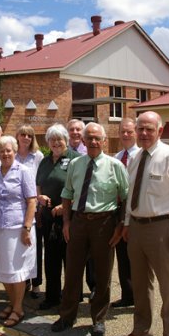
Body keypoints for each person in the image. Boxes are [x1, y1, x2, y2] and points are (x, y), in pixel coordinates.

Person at [122, 111, 169, 336]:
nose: (144, 133)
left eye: (149, 129)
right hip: (136, 229)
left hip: (162, 229)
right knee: (141, 285)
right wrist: (127, 223)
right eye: (140, 128)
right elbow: (130, 195)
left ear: (160, 131)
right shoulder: (135, 158)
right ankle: (142, 331)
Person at [51, 122, 129, 336]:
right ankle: (67, 316)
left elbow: (126, 197)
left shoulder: (115, 166)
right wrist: (67, 223)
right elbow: (67, 194)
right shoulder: (75, 164)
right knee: (73, 272)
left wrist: (121, 225)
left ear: (104, 141)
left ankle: (99, 320)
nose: (93, 141)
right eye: (90, 138)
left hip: (104, 224)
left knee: (103, 274)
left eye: (97, 138)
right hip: (78, 222)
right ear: (83, 141)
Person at [0, 136, 37, 327]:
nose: (6, 153)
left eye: (9, 150)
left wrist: (27, 228)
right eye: (2, 151)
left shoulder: (23, 171)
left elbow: (32, 200)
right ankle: (13, 303)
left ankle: (18, 309)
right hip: (0, 227)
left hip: (18, 228)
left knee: (17, 270)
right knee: (4, 269)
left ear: (15, 151)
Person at [36, 123, 79, 310]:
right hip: (48, 218)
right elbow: (38, 184)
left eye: (59, 139)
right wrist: (40, 197)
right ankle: (52, 296)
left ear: (66, 141)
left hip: (69, 218)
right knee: (51, 259)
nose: (55, 143)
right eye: (52, 140)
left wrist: (65, 205)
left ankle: (72, 297)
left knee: (70, 259)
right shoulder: (45, 161)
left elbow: (81, 188)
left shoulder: (76, 160)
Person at [67, 118, 95, 301]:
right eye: (72, 129)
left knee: (92, 256)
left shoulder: (91, 151)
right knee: (74, 257)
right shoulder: (64, 153)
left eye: (79, 130)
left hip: (91, 212)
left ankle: (93, 287)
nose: (75, 132)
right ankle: (74, 292)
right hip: (72, 211)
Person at [112, 118, 138, 308]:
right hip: (119, 212)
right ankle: (127, 295)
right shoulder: (117, 157)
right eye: (123, 132)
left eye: (130, 131)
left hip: (137, 211)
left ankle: (140, 298)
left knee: (137, 257)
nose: (126, 135)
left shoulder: (142, 156)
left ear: (135, 133)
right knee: (122, 256)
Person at [15, 125, 44, 299]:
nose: (26, 137)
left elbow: (39, 182)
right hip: (18, 207)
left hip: (34, 206)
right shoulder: (13, 155)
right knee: (21, 245)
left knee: (36, 245)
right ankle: (23, 281)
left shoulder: (37, 156)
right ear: (17, 136)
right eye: (23, 134)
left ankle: (36, 284)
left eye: (29, 135)